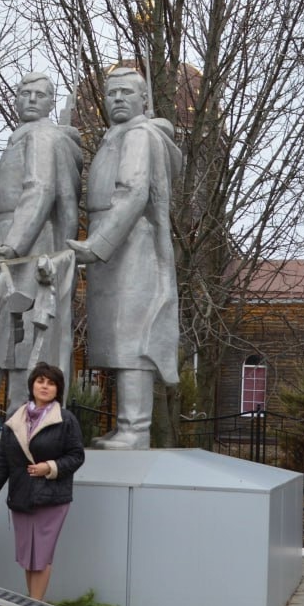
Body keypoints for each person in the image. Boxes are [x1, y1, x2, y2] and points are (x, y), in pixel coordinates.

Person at [67, 67, 183, 449]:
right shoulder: (115, 137)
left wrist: (96, 244)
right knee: (118, 336)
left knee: (134, 335)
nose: (116, 99)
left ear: (143, 101)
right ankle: (126, 425)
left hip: (131, 244)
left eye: (125, 93)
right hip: (115, 244)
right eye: (111, 93)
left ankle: (136, 427)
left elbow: (133, 192)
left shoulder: (138, 135)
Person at [0, 72, 82, 407]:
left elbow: (39, 191)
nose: (29, 100)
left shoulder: (41, 134)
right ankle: (18, 410)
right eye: (24, 93)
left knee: (24, 326)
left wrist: (12, 245)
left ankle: (23, 411)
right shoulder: (22, 135)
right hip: (13, 236)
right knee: (15, 331)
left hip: (27, 244)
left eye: (39, 95)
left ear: (51, 102)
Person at [0, 363, 85, 600]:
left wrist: (50, 467)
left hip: (52, 497)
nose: (45, 386)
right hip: (22, 495)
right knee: (29, 556)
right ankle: (31, 604)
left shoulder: (65, 420)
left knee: (42, 555)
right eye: (40, 381)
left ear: (58, 389)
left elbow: (77, 456)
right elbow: (3, 459)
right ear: (32, 385)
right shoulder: (16, 419)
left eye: (51, 383)